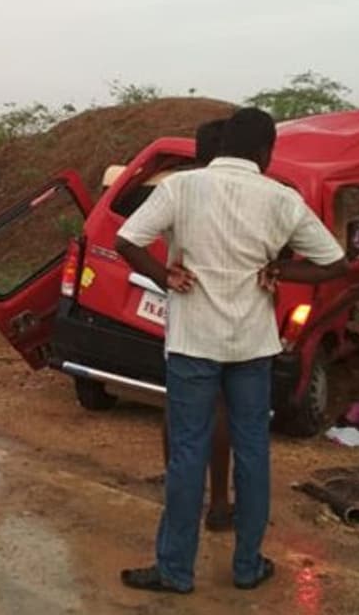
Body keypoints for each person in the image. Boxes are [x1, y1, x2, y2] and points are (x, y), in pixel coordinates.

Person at [116, 108, 346, 594]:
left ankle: (175, 570)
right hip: (251, 346)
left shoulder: (182, 188)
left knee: (186, 454)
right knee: (253, 452)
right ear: (266, 152)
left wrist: (165, 276)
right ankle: (246, 565)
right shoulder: (280, 199)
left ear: (222, 147)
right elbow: (333, 262)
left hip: (192, 343)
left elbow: (127, 238)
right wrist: (283, 272)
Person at [157, 119, 234, 532]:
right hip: (238, 314)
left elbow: (135, 235)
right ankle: (220, 502)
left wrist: (163, 272)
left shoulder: (180, 187)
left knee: (179, 406)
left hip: (188, 307)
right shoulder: (253, 190)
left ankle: (179, 490)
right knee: (221, 407)